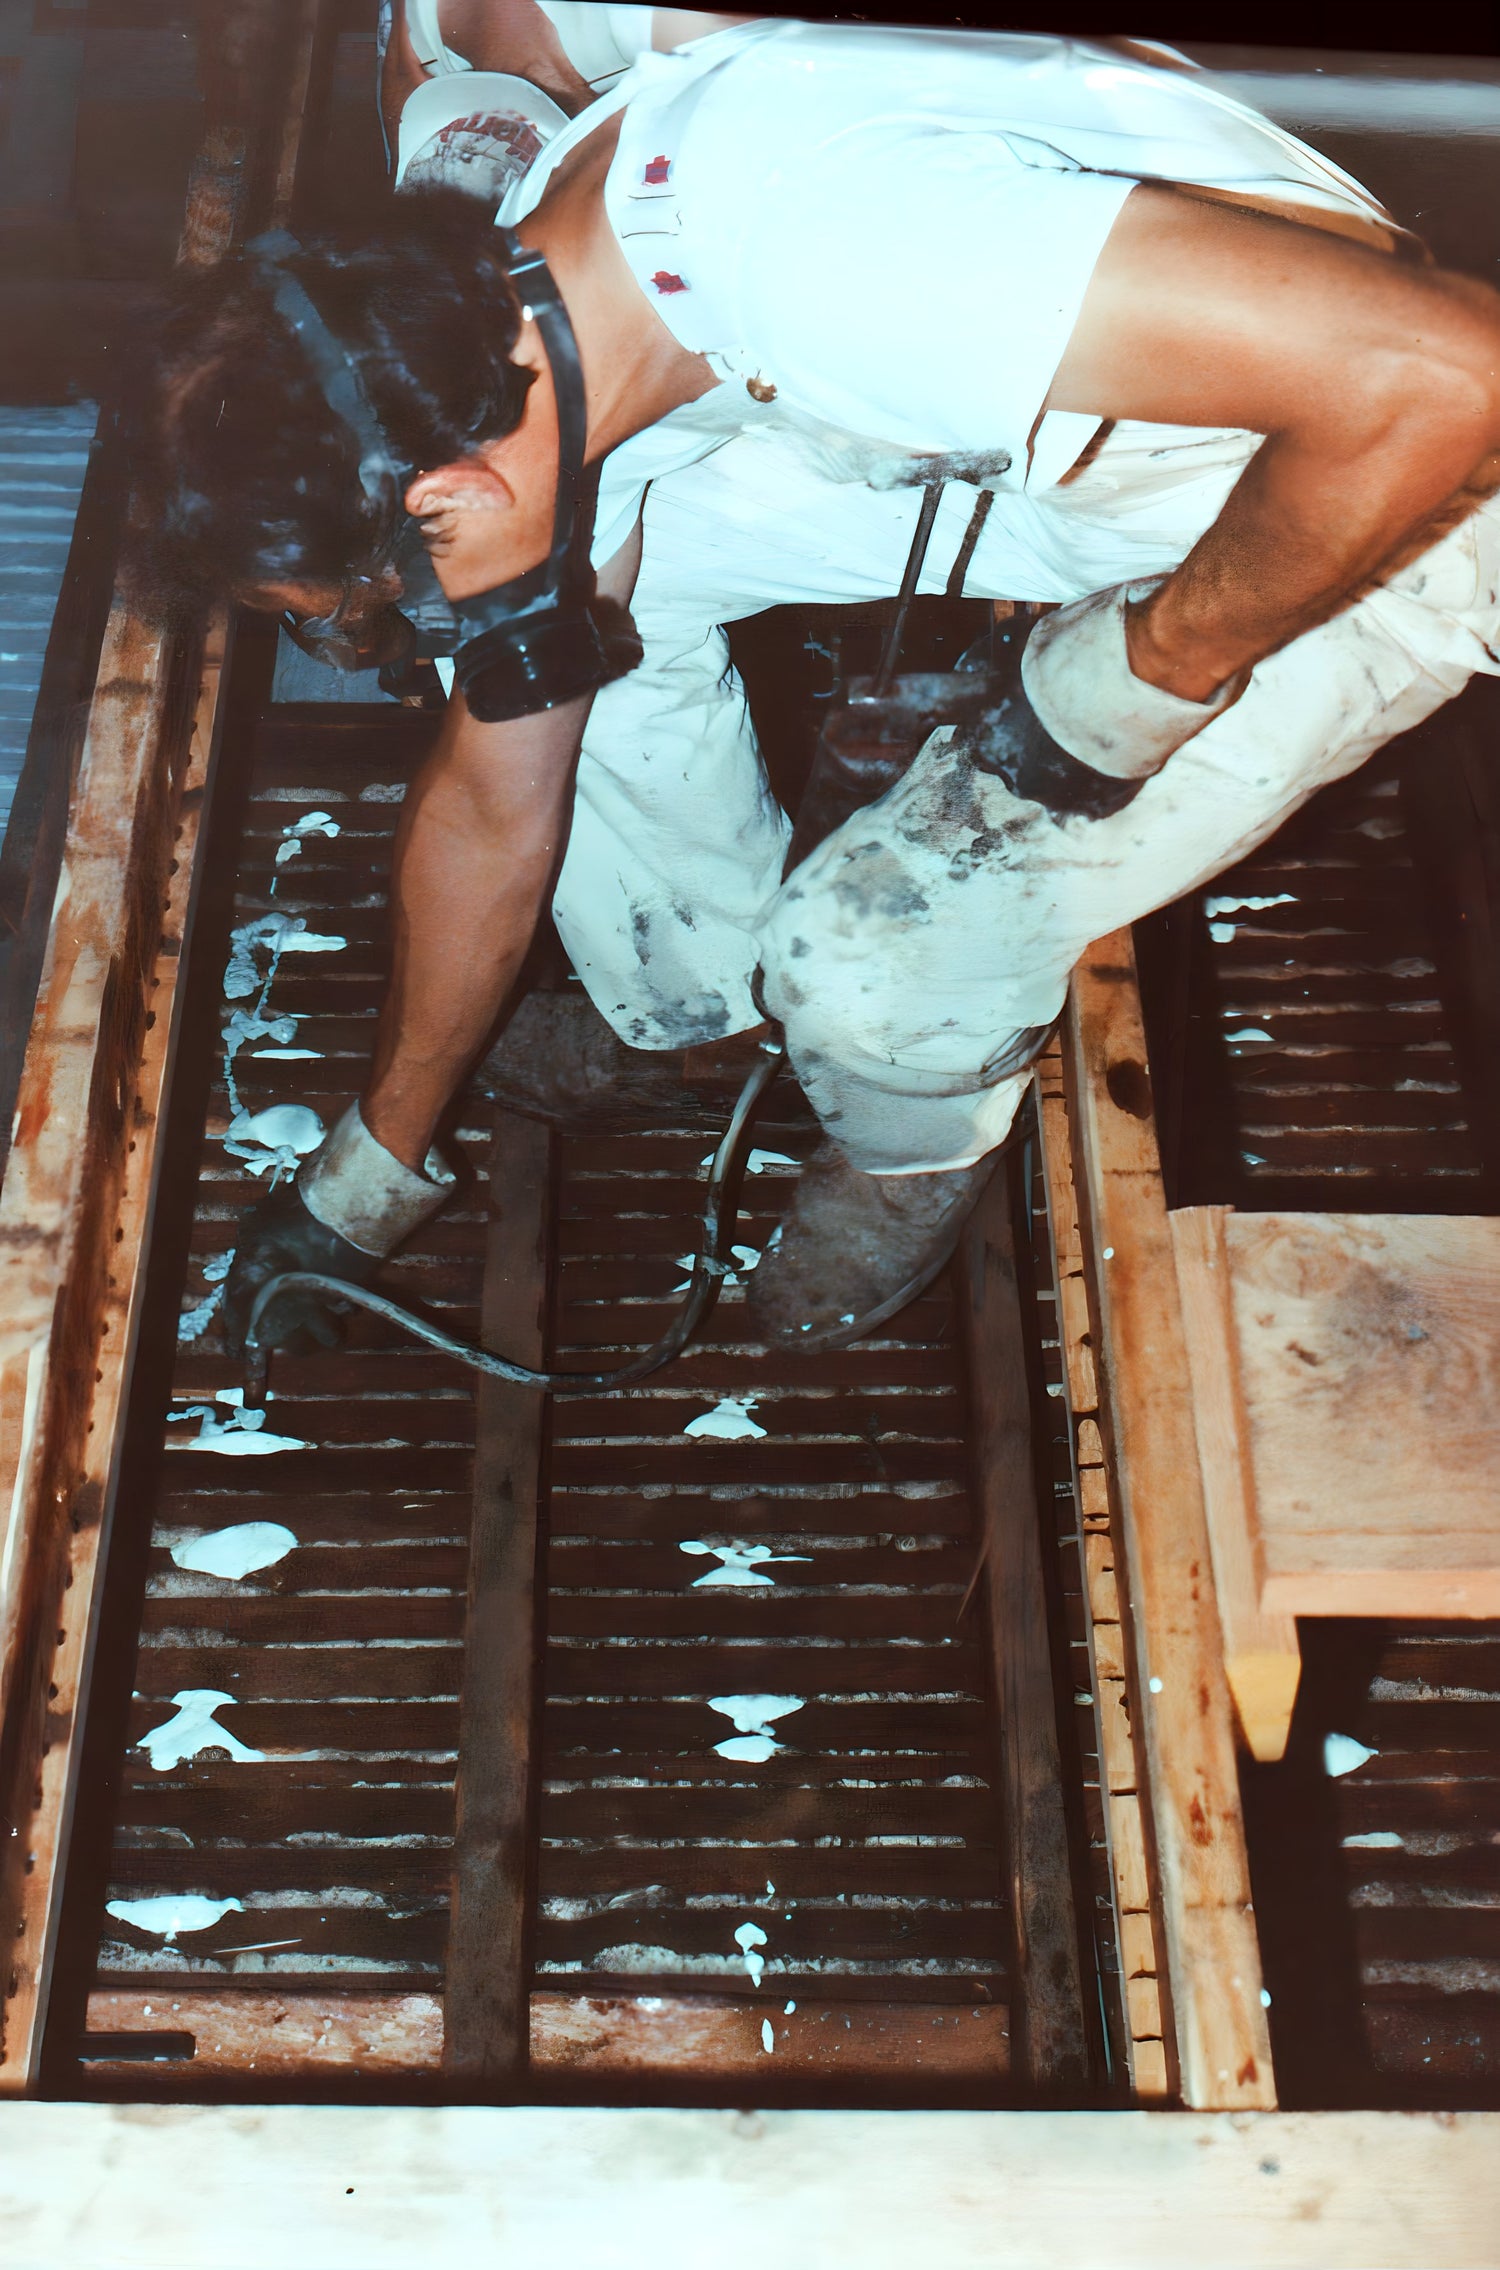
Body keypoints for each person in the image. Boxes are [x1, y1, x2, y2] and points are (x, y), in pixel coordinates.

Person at [131, 18, 1500, 1350]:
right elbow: (496, 798)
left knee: (866, 952)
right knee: (574, 627)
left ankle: (909, 1128)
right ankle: (694, 1002)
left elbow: (1449, 377)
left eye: (383, 596)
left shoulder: (836, 246)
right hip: (1073, 442)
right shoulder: (544, 298)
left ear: (456, 491)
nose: (406, 621)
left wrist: (1136, 679)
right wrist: (376, 1162)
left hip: (1374, 503)